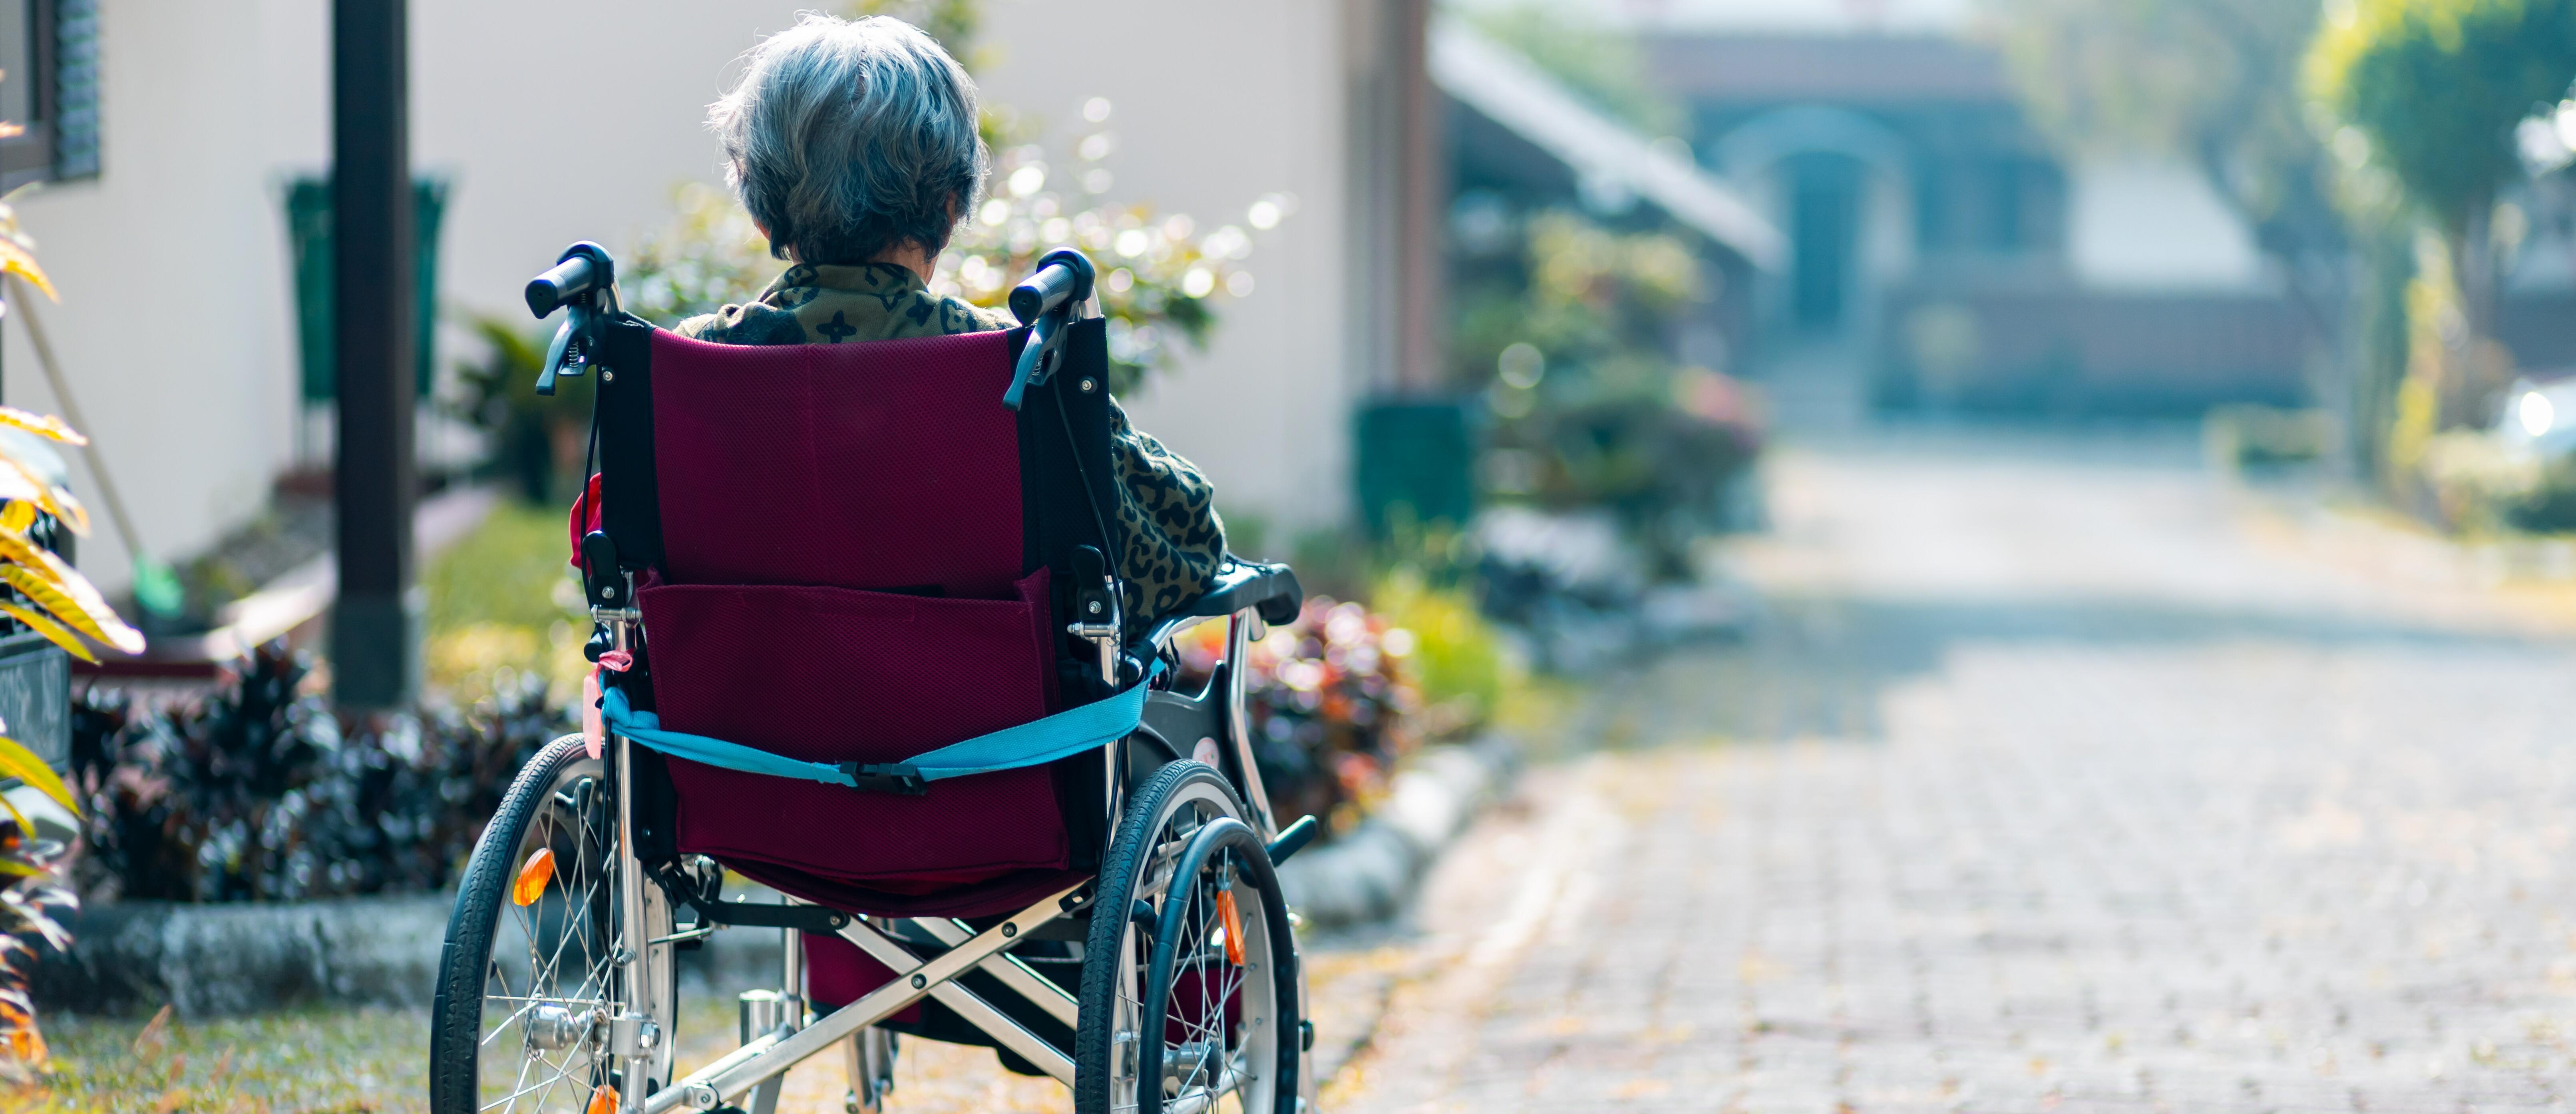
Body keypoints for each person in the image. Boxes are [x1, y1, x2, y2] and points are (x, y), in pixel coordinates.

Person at [678, 12, 1226, 626]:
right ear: (948, 209)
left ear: (763, 215)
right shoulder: (1017, 363)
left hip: (739, 716)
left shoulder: (686, 370)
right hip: (989, 718)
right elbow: (1184, 551)